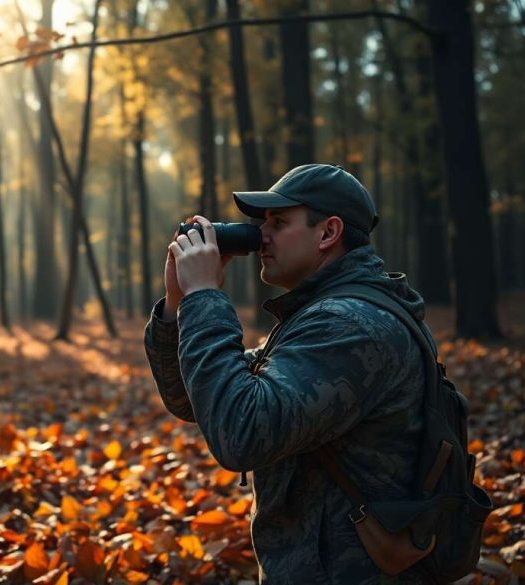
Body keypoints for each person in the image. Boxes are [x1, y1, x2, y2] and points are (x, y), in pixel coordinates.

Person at [144, 164, 431, 584]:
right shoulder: (320, 315)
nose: (261, 234)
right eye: (262, 223)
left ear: (328, 233)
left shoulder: (353, 326)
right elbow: (194, 399)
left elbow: (239, 434)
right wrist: (178, 303)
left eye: (278, 222)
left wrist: (205, 296)